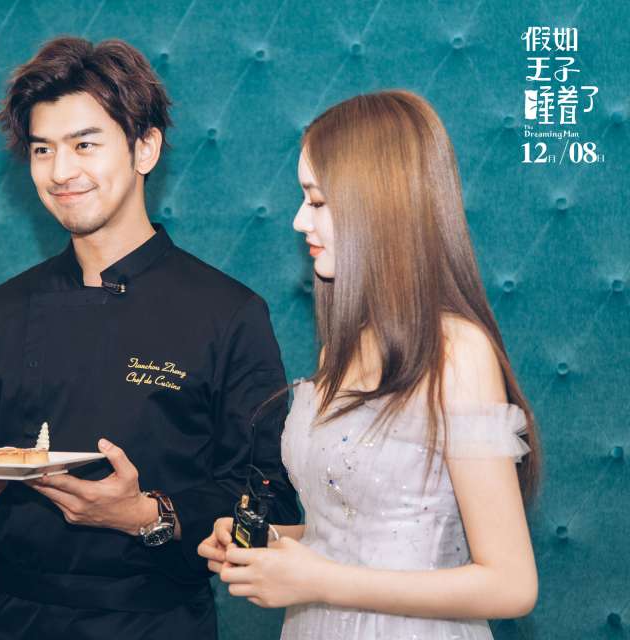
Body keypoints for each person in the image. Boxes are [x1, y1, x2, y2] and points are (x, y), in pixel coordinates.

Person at [0, 36, 300, 640]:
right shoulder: (3, 308)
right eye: (43, 149)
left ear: (144, 148)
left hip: (158, 620)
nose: (60, 172)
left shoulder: (228, 311)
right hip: (19, 617)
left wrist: (148, 514)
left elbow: (270, 499)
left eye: (85, 144)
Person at [198, 90, 541, 639]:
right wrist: (273, 544)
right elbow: (353, 534)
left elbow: (511, 585)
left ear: (377, 206)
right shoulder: (342, 347)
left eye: (316, 201)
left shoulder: (457, 351)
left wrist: (320, 581)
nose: (298, 221)